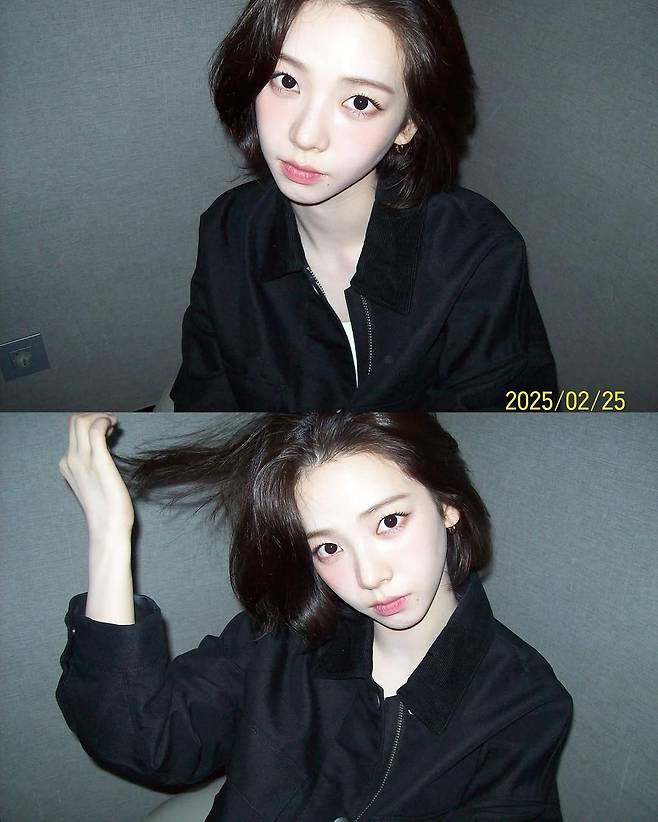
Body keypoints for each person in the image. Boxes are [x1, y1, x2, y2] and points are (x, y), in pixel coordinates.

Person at [57, 412, 572, 820]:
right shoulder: (281, 638)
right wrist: (109, 534)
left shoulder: (524, 702)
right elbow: (145, 739)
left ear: (447, 506)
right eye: (328, 547)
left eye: (389, 521)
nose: (369, 575)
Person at [170, 0, 558, 411]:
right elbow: (205, 401)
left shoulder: (478, 254)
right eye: (286, 80)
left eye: (359, 102)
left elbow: (508, 413)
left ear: (408, 124)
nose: (306, 135)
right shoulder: (227, 232)